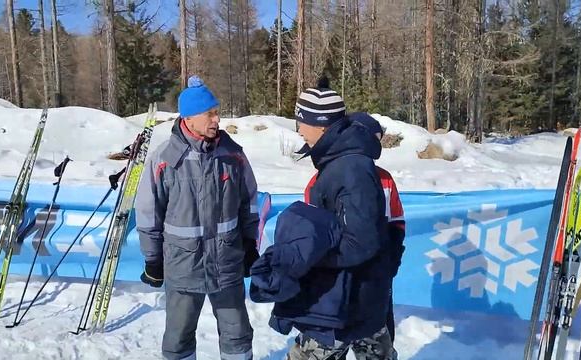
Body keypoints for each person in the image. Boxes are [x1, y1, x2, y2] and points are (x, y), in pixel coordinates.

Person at [264, 81, 394, 359]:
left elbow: (360, 242)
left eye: (301, 121)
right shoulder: (339, 161)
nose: (298, 129)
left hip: (346, 302)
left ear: (321, 125)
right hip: (349, 296)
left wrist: (306, 257)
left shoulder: (351, 169)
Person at [135, 75, 260, 360]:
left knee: (237, 334)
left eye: (217, 112)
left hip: (226, 263)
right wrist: (153, 260)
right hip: (182, 265)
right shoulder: (164, 158)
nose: (217, 119)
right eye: (210, 114)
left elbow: (249, 201)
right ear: (189, 118)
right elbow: (148, 212)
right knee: (179, 337)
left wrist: (250, 245)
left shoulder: (233, 155)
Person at [303, 111, 405, 359]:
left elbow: (397, 224)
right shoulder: (321, 180)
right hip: (342, 289)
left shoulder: (383, 179)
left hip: (366, 285)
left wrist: (389, 264)